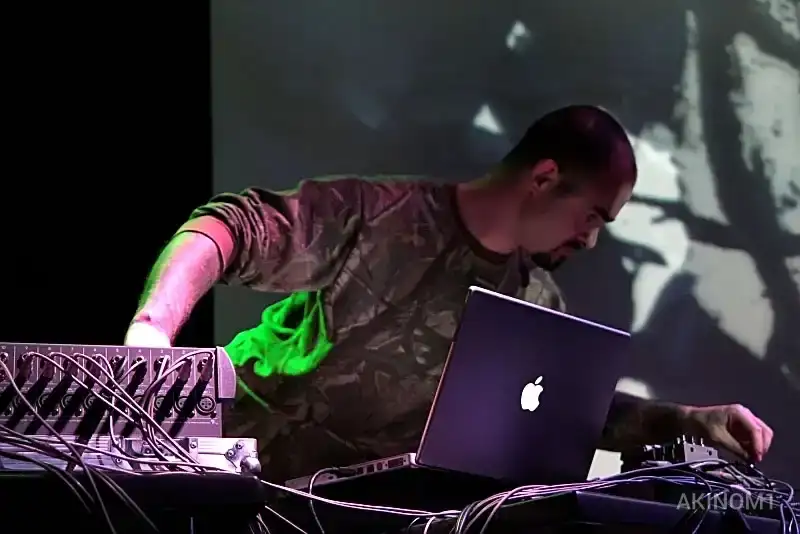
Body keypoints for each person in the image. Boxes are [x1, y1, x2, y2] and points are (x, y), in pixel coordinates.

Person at [125, 105, 773, 483]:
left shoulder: (537, 302)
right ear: (545, 177)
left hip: (336, 512)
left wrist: (690, 421)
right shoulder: (383, 216)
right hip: (221, 476)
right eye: (594, 216)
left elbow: (579, 413)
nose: (592, 238)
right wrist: (152, 329)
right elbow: (228, 229)